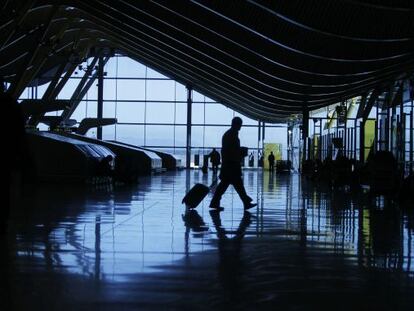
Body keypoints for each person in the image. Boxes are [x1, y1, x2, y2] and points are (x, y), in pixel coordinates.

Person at [209, 117, 257, 210]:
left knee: (226, 185)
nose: (240, 127)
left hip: (229, 164)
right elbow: (231, 150)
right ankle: (246, 202)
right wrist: (240, 151)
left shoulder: (229, 134)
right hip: (231, 165)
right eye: (240, 125)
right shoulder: (231, 135)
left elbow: (228, 150)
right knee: (235, 185)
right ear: (236, 124)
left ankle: (215, 202)